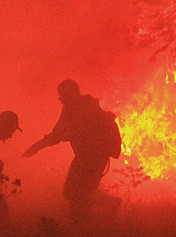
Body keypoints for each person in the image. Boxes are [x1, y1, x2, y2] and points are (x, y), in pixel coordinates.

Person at [22, 79, 121, 221]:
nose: (59, 98)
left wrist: (36, 147)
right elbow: (61, 133)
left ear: (71, 93)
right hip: (86, 157)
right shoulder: (82, 106)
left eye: (61, 94)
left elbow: (57, 135)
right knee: (72, 193)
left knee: (78, 196)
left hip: (92, 158)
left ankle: (81, 228)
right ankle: (108, 205)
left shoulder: (77, 109)